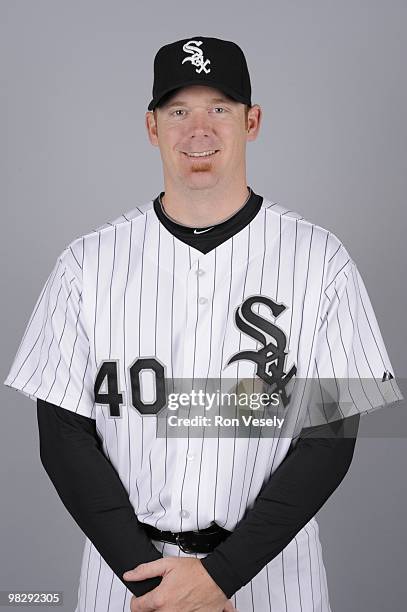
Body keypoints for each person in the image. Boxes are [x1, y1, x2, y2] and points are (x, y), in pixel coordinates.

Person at [4, 36, 403, 612]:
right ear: (151, 126)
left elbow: (329, 441)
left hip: (271, 576)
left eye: (219, 108)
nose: (200, 131)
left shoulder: (321, 260)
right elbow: (63, 438)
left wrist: (221, 576)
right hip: (126, 576)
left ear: (252, 120)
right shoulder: (86, 264)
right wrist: (153, 587)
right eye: (179, 111)